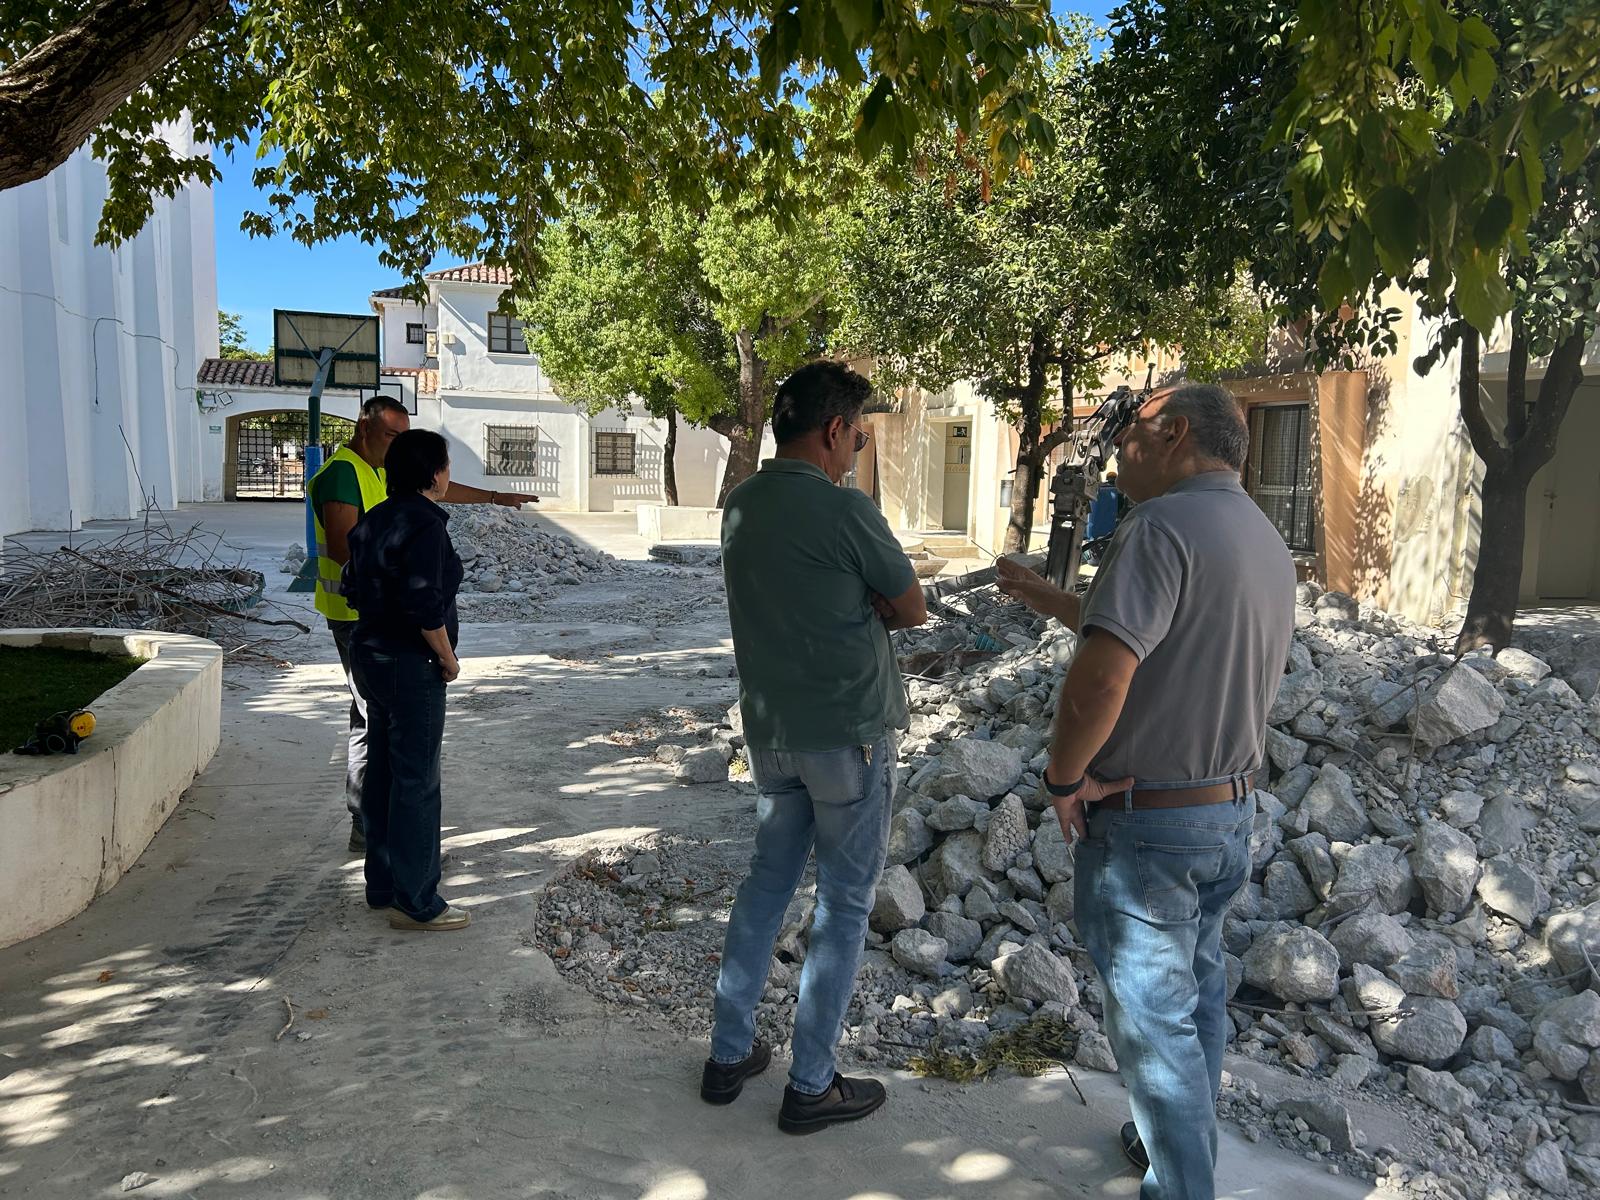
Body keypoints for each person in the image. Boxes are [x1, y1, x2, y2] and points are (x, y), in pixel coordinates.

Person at [996, 383, 1294, 1200]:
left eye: (1128, 431)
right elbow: (1128, 624)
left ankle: (1182, 1183)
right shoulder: (1258, 536)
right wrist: (1036, 593)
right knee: (1195, 993)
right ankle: (1174, 1140)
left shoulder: (1157, 527)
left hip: (1149, 825)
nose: (1117, 447)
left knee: (1152, 1020)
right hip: (1227, 814)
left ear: (1175, 435)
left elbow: (1100, 684)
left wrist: (1062, 778)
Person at [702, 360, 928, 1134]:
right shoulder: (845, 511)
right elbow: (912, 605)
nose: (857, 450)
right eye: (859, 436)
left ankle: (728, 1055)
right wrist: (865, 604)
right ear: (834, 431)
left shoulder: (740, 504)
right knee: (842, 903)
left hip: (773, 732)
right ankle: (812, 1083)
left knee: (766, 887)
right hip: (846, 737)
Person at [308, 395, 526, 852]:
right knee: (385, 734)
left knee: (376, 722)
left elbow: (434, 491)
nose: (398, 445)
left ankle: (381, 847)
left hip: (377, 623)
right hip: (372, 624)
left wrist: (492, 497)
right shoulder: (345, 475)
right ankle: (379, 835)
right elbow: (350, 555)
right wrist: (447, 656)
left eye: (404, 438)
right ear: (363, 427)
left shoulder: (388, 480)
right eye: (392, 435)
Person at [344, 429, 470, 931]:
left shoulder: (375, 520)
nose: (447, 475)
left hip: (370, 655)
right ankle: (417, 901)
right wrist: (447, 657)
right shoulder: (425, 526)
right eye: (445, 465)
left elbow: (354, 585)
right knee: (417, 780)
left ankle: (383, 885)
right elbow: (424, 605)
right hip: (409, 662)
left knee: (384, 772)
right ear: (432, 472)